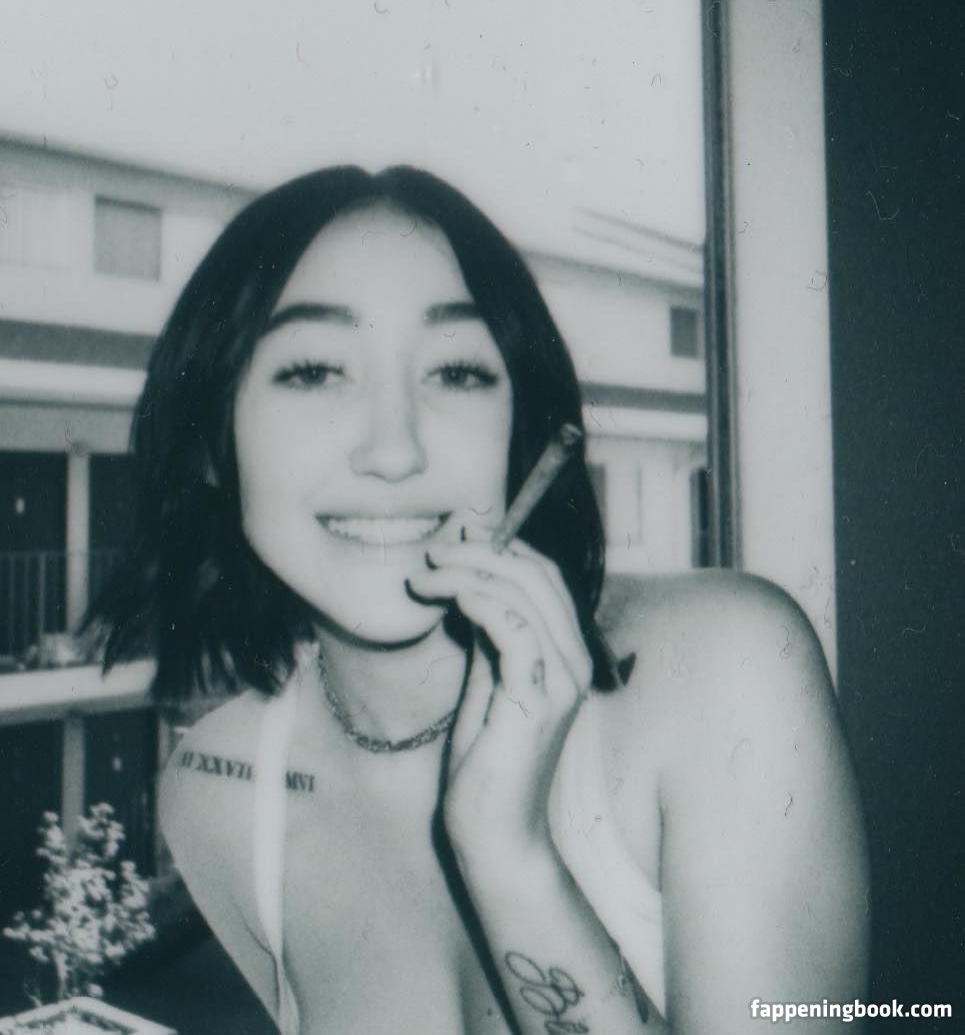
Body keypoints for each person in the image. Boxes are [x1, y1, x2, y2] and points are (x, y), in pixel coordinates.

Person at [93, 166, 869, 1034]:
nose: (394, 450)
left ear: (522, 426)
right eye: (313, 371)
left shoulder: (729, 669)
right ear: (209, 439)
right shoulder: (219, 793)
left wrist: (510, 856)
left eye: (456, 372)